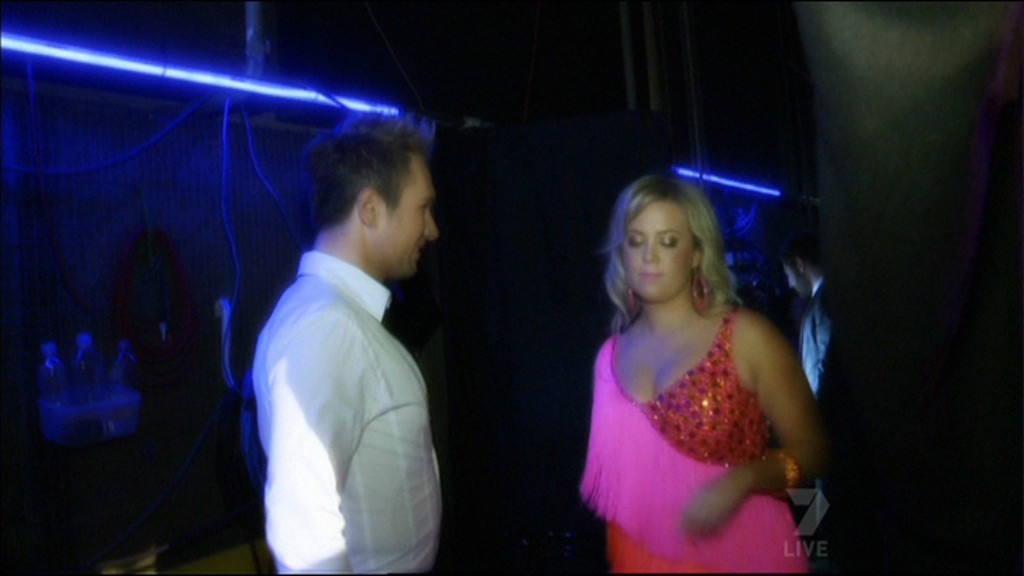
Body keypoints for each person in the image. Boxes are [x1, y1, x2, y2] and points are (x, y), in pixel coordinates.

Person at [579, 174, 830, 573]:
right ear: (621, 252)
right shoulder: (608, 358)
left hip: (744, 553)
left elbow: (816, 451)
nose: (649, 256)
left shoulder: (746, 337)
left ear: (696, 252)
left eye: (668, 241)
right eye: (636, 241)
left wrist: (745, 478)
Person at [251, 111, 442, 573]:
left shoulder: (337, 318)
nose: (432, 229)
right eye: (423, 208)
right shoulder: (325, 328)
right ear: (370, 209)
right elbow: (304, 536)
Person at [780, 231, 831, 398]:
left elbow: (826, 364)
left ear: (799, 264)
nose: (790, 284)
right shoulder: (823, 299)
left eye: (789, 275)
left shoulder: (823, 301)